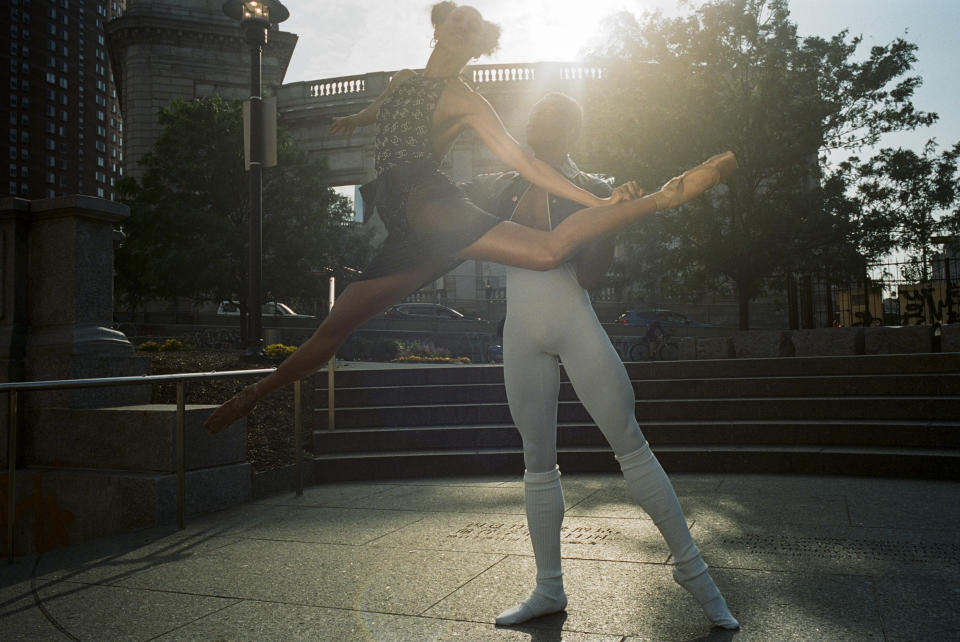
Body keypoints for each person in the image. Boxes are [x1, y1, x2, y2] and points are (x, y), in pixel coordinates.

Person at [203, 2, 737, 437]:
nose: (466, 20)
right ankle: (254, 395)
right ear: (438, 24)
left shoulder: (468, 99)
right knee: (335, 328)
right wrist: (353, 118)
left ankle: (657, 199)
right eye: (459, 14)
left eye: (477, 24)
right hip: (407, 235)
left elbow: (526, 163)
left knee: (549, 250)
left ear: (480, 44)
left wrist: (598, 202)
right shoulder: (402, 79)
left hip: (427, 202)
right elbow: (382, 110)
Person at [459, 93, 738, 629]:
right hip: (521, 331)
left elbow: (588, 276)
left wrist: (611, 217)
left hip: (572, 318)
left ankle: (695, 573)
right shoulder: (504, 180)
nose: (541, 121)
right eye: (539, 113)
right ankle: (548, 588)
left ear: (571, 131)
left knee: (630, 444)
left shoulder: (585, 185)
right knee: (537, 460)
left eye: (556, 117)